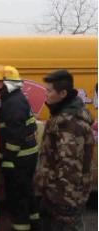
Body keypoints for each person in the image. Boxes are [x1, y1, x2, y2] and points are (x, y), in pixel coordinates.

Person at [34, 70, 95, 231]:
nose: (45, 94)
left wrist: (62, 201)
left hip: (64, 197)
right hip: (58, 193)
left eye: (49, 91)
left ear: (62, 93)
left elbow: (69, 168)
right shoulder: (62, 115)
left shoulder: (69, 124)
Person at [0, 65, 40, 231]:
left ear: (7, 83)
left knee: (17, 197)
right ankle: (34, 222)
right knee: (27, 192)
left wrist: (7, 160)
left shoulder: (12, 104)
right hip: (25, 156)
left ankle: (22, 227)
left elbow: (14, 136)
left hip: (19, 158)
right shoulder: (15, 99)